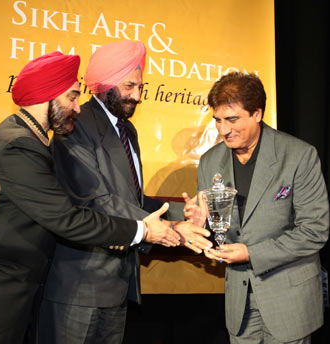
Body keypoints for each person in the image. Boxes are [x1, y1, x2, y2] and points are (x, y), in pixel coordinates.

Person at [0, 51, 183, 344]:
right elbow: (67, 219)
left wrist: (175, 216)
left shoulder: (19, 138)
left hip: (3, 288)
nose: (78, 108)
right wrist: (142, 230)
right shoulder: (18, 146)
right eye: (72, 97)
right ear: (47, 97)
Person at [38, 41, 211, 344]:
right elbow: (95, 199)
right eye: (129, 85)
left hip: (118, 283)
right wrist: (166, 228)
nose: (138, 95)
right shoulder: (76, 124)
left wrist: (180, 215)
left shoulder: (127, 130)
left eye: (141, 86)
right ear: (104, 83)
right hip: (79, 284)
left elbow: (134, 199)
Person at [186, 72, 329, 343]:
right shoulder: (209, 162)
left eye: (232, 119)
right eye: (217, 120)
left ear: (257, 113)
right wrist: (200, 226)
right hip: (239, 308)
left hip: (289, 303)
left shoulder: (299, 156)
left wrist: (251, 253)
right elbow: (217, 232)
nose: (223, 130)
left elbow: (314, 231)